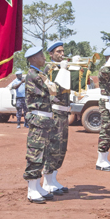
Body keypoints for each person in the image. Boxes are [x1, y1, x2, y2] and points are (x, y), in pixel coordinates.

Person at [23, 46, 58, 201]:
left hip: (44, 119)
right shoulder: (33, 75)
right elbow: (51, 90)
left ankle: (37, 186)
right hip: (38, 119)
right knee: (35, 153)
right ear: (33, 59)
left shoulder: (39, 74)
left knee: (42, 153)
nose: (44, 58)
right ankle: (31, 190)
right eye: (41, 56)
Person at [43, 42, 71, 194]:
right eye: (58, 52)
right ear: (51, 55)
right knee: (53, 147)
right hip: (55, 112)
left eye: (63, 51)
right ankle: (47, 182)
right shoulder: (50, 69)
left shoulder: (63, 69)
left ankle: (53, 179)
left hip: (64, 112)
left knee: (61, 148)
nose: (62, 54)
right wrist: (64, 69)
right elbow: (55, 89)